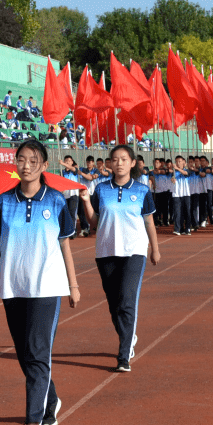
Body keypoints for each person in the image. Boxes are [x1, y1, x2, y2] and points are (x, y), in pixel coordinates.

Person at [0, 140, 80, 425]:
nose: (26, 165)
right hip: (14, 288)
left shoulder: (56, 201)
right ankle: (51, 400)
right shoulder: (4, 202)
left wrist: (73, 285)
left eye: (33, 160)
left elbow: (65, 246)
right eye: (21, 159)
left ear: (44, 166)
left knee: (37, 351)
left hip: (47, 288)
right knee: (25, 354)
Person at [79, 144, 159, 373]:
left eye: (124, 159)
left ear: (132, 163)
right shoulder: (101, 189)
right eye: (115, 159)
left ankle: (123, 355)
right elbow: (94, 222)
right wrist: (86, 201)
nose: (119, 163)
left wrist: (155, 248)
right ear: (110, 164)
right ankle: (128, 336)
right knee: (114, 304)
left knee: (126, 300)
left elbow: (148, 222)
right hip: (106, 252)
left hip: (134, 251)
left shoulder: (142, 190)